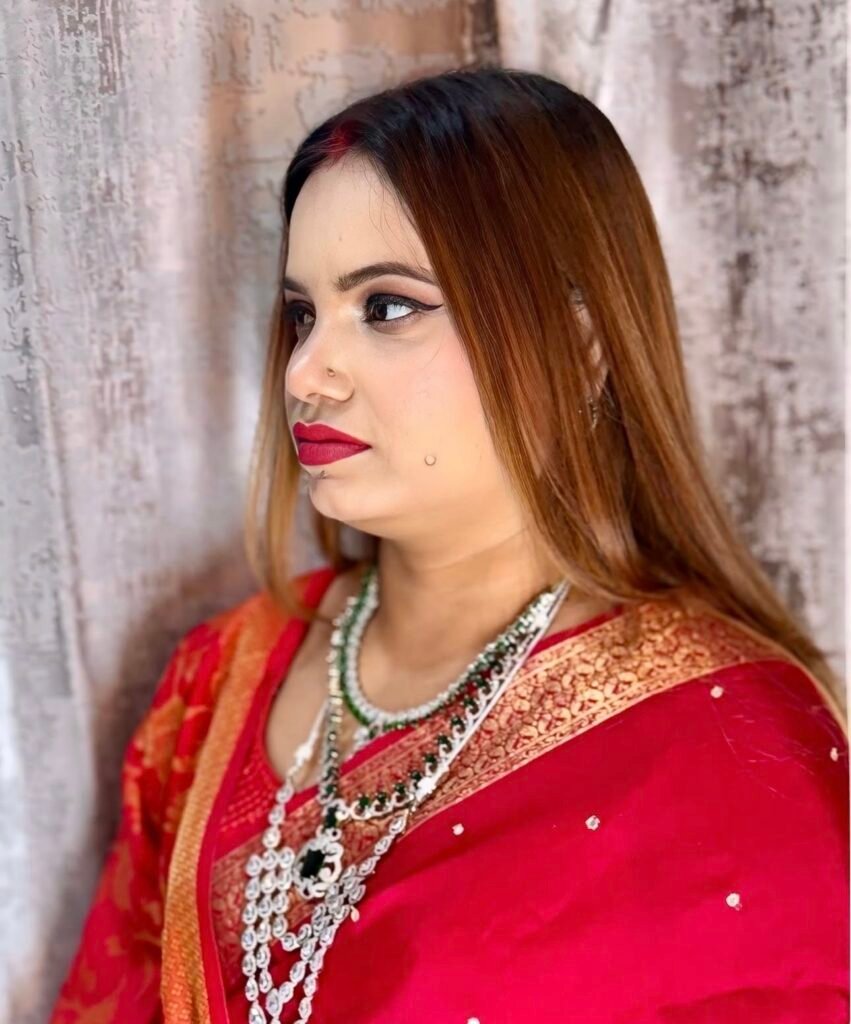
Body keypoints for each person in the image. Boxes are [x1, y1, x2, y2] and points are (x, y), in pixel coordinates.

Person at [50, 65, 848, 1024]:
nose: (306, 374)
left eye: (386, 307)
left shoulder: (729, 742)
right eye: (302, 314)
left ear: (580, 349)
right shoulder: (218, 677)